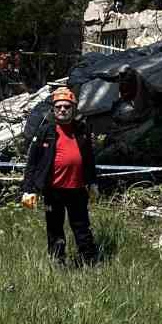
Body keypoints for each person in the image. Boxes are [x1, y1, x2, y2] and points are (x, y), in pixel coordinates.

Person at [22, 86, 100, 266]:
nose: (63, 110)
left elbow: (89, 159)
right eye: (59, 107)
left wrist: (93, 183)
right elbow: (32, 162)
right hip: (53, 191)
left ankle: (89, 262)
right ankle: (58, 261)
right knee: (54, 228)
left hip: (78, 190)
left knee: (82, 228)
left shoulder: (82, 130)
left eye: (67, 106)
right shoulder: (45, 131)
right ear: (53, 109)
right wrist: (29, 190)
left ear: (73, 108)